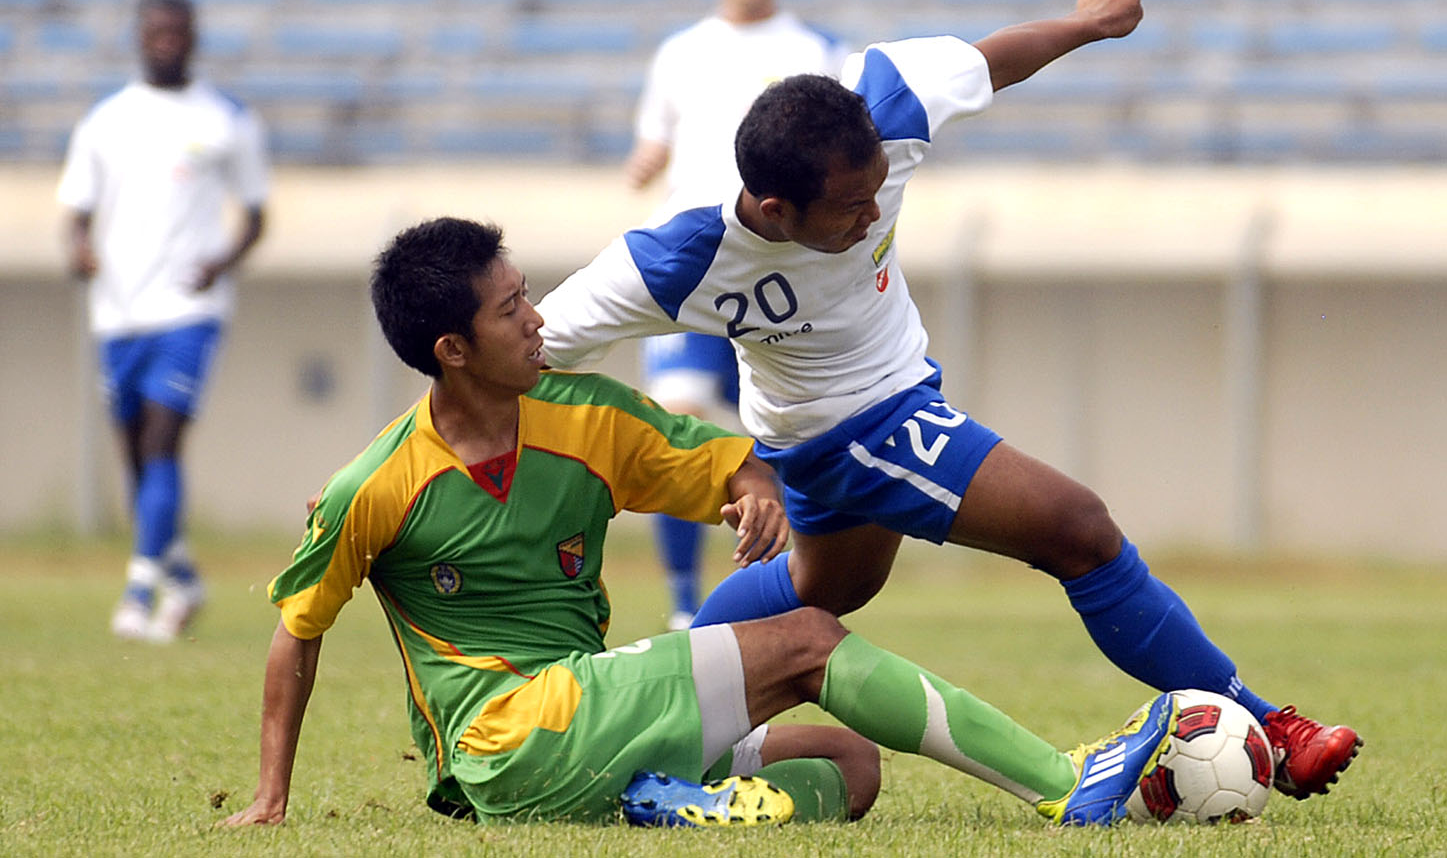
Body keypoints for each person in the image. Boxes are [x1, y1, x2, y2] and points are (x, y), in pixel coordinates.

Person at [535, 0, 1363, 803]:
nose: (870, 215)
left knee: (827, 589)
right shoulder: (678, 258)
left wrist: (1087, 23)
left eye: (876, 193)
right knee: (1076, 528)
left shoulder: (884, 101)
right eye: (847, 209)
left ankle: (645, 703)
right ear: (775, 211)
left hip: (880, 399)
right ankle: (1272, 726)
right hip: (846, 429)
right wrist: (688, 455)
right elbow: (529, 350)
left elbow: (992, 59)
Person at [223, 217, 1179, 830]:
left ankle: (667, 810)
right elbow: (294, 636)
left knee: (847, 768)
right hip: (505, 737)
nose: (537, 318)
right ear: (452, 350)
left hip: (584, 717)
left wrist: (758, 487)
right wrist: (271, 797)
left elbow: (731, 459)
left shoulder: (587, 415)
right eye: (512, 308)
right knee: (808, 639)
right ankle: (1065, 784)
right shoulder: (376, 483)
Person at [625, 0, 850, 630]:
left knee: (789, 435)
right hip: (691, 273)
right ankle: (686, 607)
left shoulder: (821, 51)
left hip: (781, 279)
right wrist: (647, 160)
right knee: (678, 416)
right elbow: (657, 140)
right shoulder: (678, 53)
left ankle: (784, 590)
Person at [59, 0, 267, 643]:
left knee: (162, 443)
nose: (167, 39)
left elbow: (256, 215)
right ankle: (183, 581)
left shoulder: (228, 119)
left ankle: (138, 591)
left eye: (178, 30)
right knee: (137, 465)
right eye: (156, 30)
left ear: (194, 36)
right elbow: (76, 213)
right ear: (140, 36)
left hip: (189, 309)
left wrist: (219, 263)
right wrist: (81, 252)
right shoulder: (105, 121)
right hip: (117, 314)